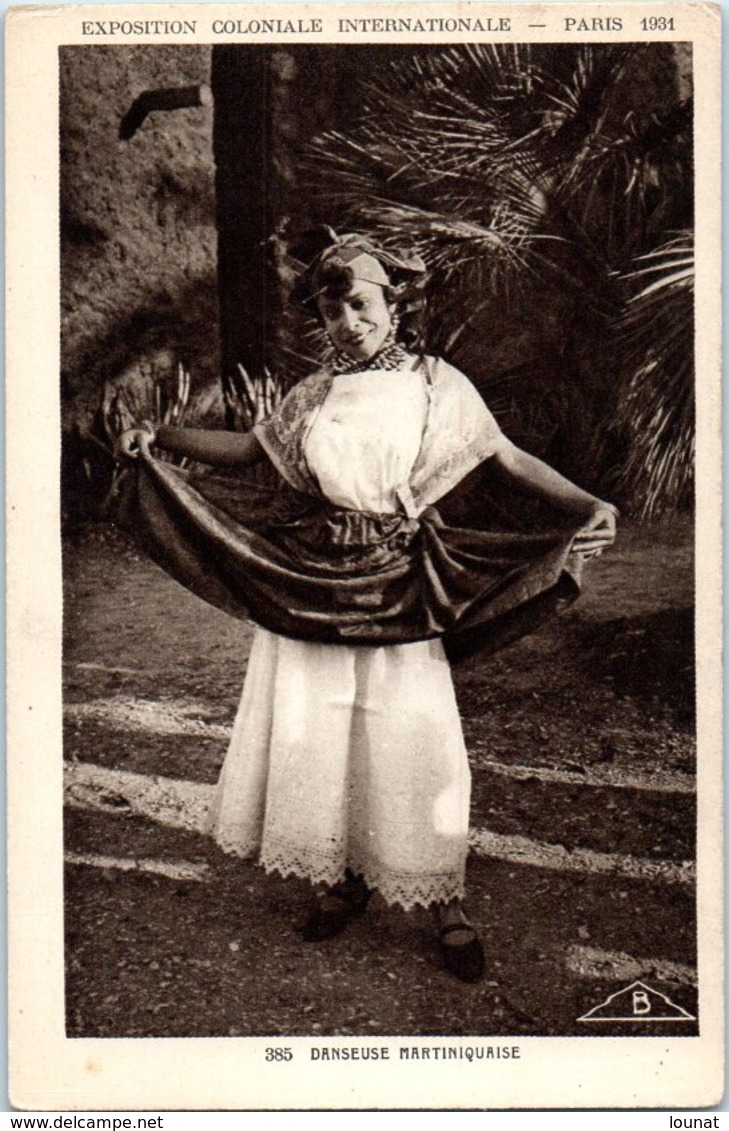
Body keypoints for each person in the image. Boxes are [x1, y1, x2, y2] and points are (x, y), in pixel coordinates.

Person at [116, 229, 617, 983]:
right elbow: (251, 450)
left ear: (393, 303)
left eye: (360, 304)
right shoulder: (312, 392)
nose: (348, 322)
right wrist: (162, 436)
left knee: (414, 735)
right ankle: (335, 878)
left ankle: (443, 899)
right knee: (317, 730)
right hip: (311, 579)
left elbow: (504, 456)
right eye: (333, 310)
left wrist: (587, 501)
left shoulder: (434, 383)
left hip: (395, 580)